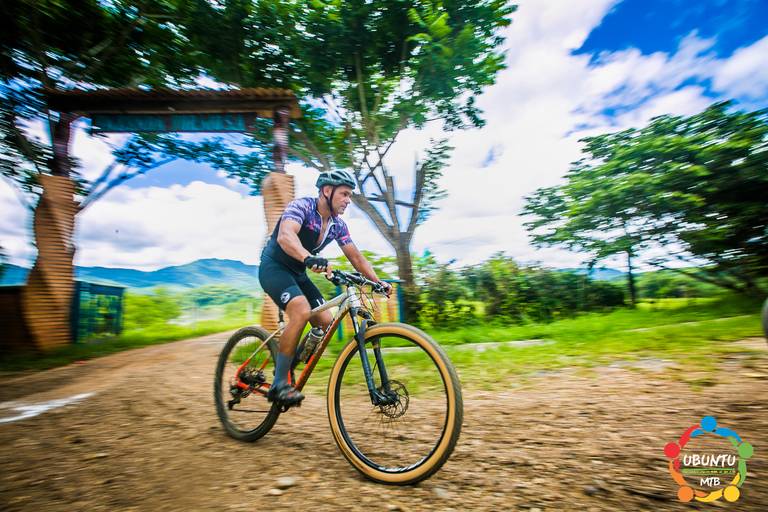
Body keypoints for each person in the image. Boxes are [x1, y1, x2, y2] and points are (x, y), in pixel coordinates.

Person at [258, 170, 391, 406]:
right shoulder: (302, 207)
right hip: (274, 268)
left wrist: (377, 282)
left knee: (325, 322)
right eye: (344, 194)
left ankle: (289, 364)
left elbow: (356, 257)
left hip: (298, 273)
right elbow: (286, 236)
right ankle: (279, 384)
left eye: (349, 195)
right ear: (327, 191)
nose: (348, 200)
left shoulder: (337, 225)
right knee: (301, 310)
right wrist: (308, 257)